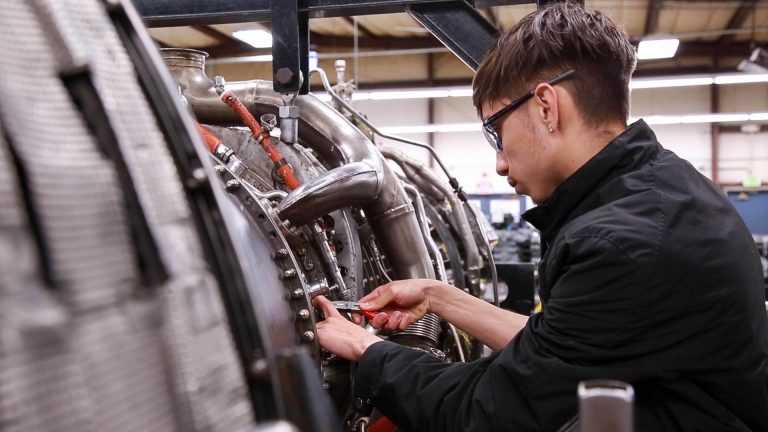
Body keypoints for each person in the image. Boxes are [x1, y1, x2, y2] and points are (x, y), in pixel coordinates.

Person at [313, 3, 768, 431]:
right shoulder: (663, 189)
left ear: (547, 107)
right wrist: (437, 296)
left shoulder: (623, 244)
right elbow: (556, 349)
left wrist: (366, 349)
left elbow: (487, 413)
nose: (500, 164)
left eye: (496, 132)